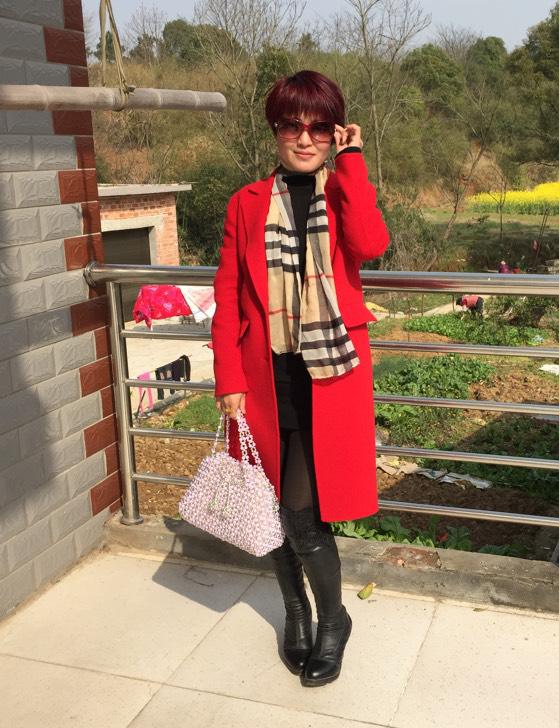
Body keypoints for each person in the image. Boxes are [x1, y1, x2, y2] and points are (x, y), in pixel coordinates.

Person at [211, 70, 389, 687]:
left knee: (301, 513)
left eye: (319, 126)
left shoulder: (342, 191)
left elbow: (371, 243)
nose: (305, 137)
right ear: (276, 131)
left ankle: (333, 619)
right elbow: (228, 295)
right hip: (265, 378)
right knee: (269, 509)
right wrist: (228, 378)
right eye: (293, 125)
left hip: (330, 378)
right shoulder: (246, 202)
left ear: (334, 132)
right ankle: (295, 611)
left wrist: (354, 162)